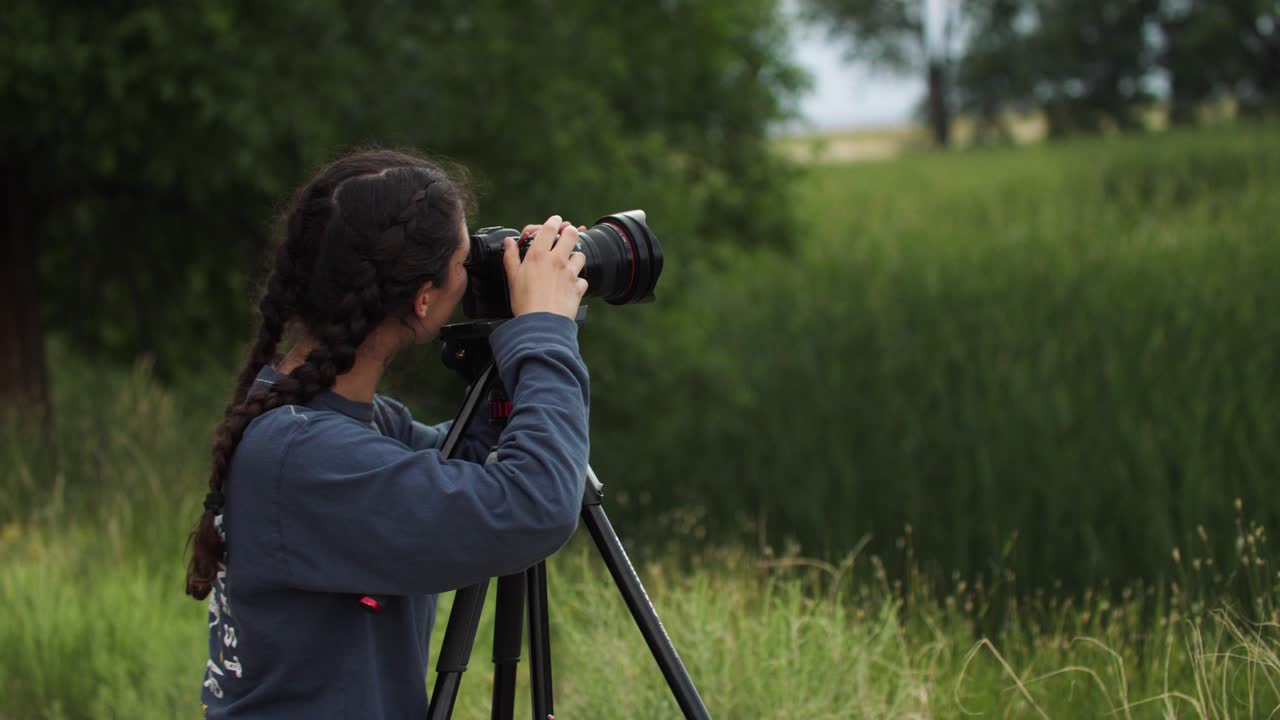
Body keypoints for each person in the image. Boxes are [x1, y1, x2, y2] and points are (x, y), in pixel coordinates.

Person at [184, 149, 591, 718]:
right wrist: (546, 333)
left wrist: (521, 330)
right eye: (464, 259)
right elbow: (535, 504)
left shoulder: (343, 424)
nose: (472, 268)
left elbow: (474, 462)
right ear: (424, 300)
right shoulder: (307, 457)